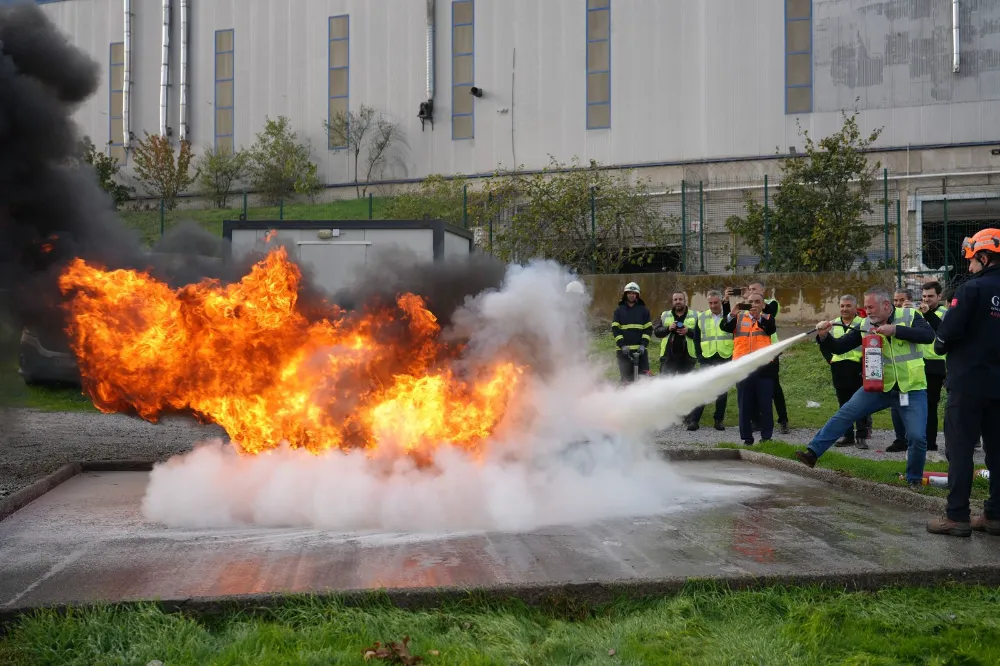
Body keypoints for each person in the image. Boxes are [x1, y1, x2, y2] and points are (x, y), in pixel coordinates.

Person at [794, 288, 934, 485]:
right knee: (846, 413)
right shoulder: (866, 324)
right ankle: (813, 452)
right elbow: (840, 347)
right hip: (879, 387)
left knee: (917, 437)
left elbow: (928, 335)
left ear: (886, 305)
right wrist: (825, 337)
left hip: (911, 389)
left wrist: (895, 330)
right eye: (865, 307)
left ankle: (914, 479)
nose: (866, 311)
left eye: (870, 307)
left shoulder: (909, 315)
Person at [926, 229, 1000, 537]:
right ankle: (995, 516)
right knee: (998, 451)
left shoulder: (972, 290)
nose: (969, 268)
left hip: (968, 384)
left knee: (959, 450)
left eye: (971, 261)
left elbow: (944, 336)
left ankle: (957, 516)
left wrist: (941, 343)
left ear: (984, 257)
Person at [720, 292, 776, 446]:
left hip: (764, 368)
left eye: (757, 302)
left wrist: (759, 317)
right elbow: (724, 326)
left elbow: (771, 329)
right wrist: (732, 312)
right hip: (743, 368)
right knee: (744, 404)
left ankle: (766, 438)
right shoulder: (738, 317)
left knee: (765, 405)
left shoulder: (767, 318)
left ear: (762, 304)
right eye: (750, 302)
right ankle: (747, 438)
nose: (754, 305)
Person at [820, 295, 870, 449]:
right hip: (839, 368)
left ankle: (861, 436)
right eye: (842, 306)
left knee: (861, 403)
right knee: (843, 404)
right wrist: (830, 359)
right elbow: (823, 344)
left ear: (855, 307)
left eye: (848, 306)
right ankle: (847, 435)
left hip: (857, 367)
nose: (844, 309)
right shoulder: (832, 324)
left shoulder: (862, 323)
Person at [747, 281, 790, 434]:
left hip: (771, 352)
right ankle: (756, 421)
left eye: (754, 290)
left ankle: (783, 420)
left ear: (763, 291)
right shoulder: (746, 312)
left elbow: (771, 313)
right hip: (753, 354)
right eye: (749, 290)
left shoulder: (771, 304)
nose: (751, 292)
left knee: (775, 388)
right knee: (753, 386)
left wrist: (759, 305)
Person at [654, 291, 701, 428]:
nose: (678, 301)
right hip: (668, 357)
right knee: (665, 386)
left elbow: (700, 334)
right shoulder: (664, 315)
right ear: (672, 301)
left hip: (687, 357)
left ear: (685, 301)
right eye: (675, 299)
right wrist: (669, 328)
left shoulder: (695, 315)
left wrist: (688, 331)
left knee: (686, 387)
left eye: (680, 299)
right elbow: (657, 332)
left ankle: (686, 415)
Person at [689, 290, 732, 432]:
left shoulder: (728, 316)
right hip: (707, 357)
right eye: (710, 303)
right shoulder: (701, 317)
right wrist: (699, 356)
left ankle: (718, 420)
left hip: (724, 356)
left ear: (721, 301)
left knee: (722, 391)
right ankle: (694, 420)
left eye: (716, 302)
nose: (713, 306)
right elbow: (696, 339)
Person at [915, 280, 947, 453]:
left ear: (939, 296)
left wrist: (928, 315)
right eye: (924, 296)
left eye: (931, 296)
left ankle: (931, 444)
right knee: (919, 405)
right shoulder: (917, 312)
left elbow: (944, 331)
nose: (926, 300)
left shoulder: (945, 313)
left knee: (932, 405)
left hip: (937, 364)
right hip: (918, 363)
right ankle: (917, 442)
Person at [887, 287, 920, 450]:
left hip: (910, 374)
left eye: (901, 300)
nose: (898, 303)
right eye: (895, 300)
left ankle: (910, 439)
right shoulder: (889, 318)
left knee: (907, 407)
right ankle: (900, 438)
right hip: (894, 374)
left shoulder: (913, 316)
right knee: (896, 407)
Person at [611, 282, 652, 383]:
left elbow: (648, 329)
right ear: (625, 294)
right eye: (629, 293)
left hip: (640, 352)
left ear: (637, 294)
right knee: (626, 380)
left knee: (644, 378)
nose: (631, 295)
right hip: (624, 352)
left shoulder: (644, 310)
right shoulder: (618, 310)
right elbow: (615, 329)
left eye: (634, 293)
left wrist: (643, 345)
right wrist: (622, 345)